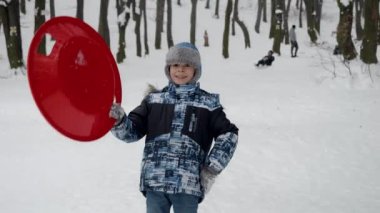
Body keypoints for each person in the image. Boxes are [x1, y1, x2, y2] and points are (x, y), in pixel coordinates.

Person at [109, 42, 239, 213]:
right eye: (175, 65)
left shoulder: (208, 104)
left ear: (196, 70)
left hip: (188, 183)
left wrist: (212, 167)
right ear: (168, 68)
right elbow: (132, 131)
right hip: (155, 181)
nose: (180, 70)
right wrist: (118, 121)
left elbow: (229, 134)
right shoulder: (153, 100)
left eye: (187, 65)